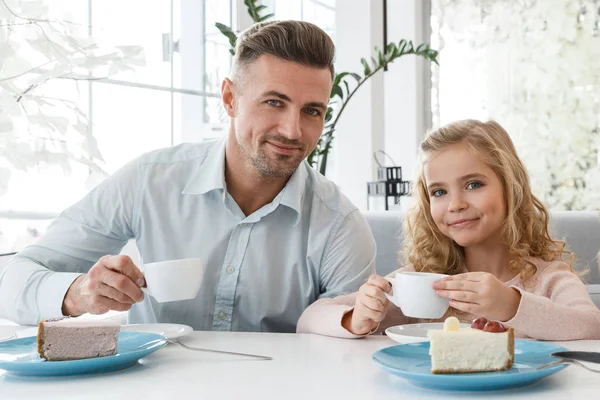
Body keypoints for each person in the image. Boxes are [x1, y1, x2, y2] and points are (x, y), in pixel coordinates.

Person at [0, 20, 376, 332]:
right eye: (274, 102)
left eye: (312, 111)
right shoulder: (150, 182)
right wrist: (78, 292)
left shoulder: (339, 224)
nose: (293, 131)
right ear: (230, 98)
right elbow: (12, 279)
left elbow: (348, 347)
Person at [297, 119, 600, 340]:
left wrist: (511, 304)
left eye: (473, 184)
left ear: (511, 188)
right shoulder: (422, 284)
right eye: (439, 192)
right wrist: (356, 318)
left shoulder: (548, 279)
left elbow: (591, 327)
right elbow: (309, 318)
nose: (455, 204)